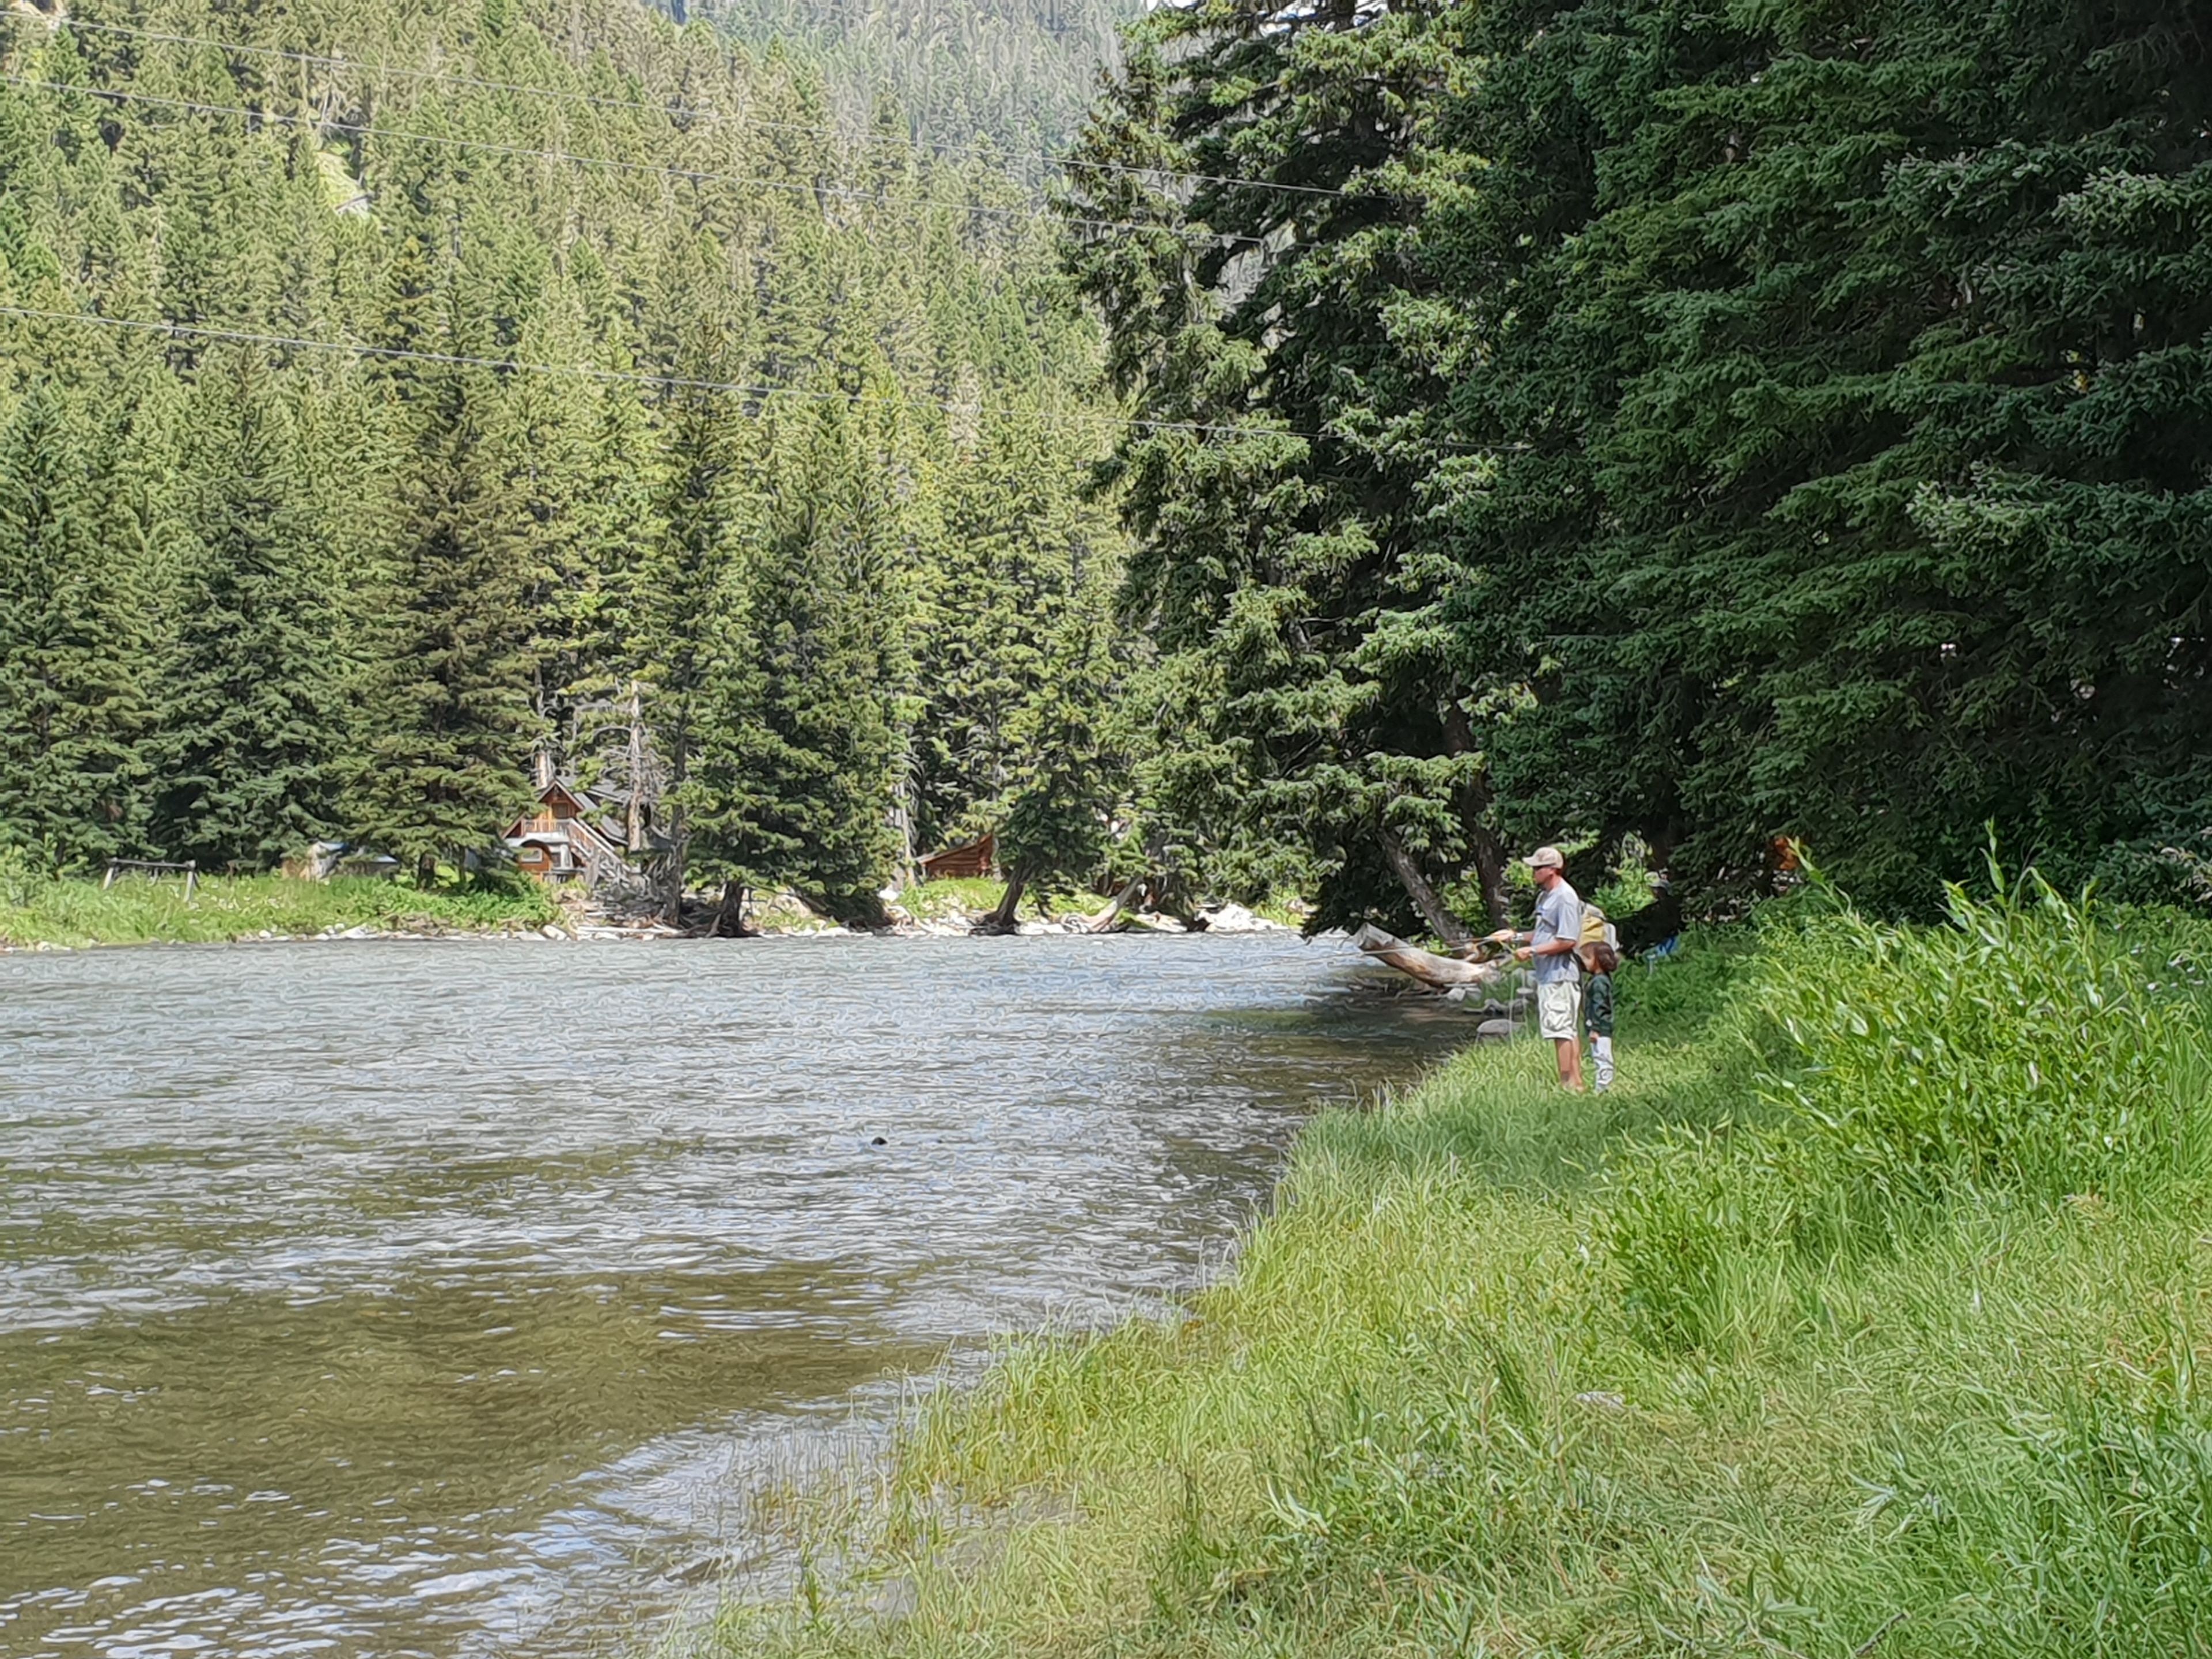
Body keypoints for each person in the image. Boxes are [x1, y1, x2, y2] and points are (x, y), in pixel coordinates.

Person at [1495, 845, 1585, 1090]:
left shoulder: (1566, 898)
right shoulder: (1546, 896)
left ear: (1554, 870)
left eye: (1538, 868)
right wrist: (1515, 937)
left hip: (1560, 975)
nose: (1533, 872)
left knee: (1562, 1030)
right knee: (1565, 1029)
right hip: (1549, 975)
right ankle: (1575, 1084)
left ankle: (1569, 1084)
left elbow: (1568, 940)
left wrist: (1532, 951)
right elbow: (1544, 933)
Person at [1582, 940, 1618, 1092]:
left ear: (1598, 961)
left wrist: (1595, 1028)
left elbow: (1600, 1007)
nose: (1583, 962)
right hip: (1598, 1027)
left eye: (1587, 958)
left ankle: (1604, 1087)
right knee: (1599, 1056)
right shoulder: (1600, 980)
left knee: (1602, 1057)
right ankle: (1601, 1086)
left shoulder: (1599, 983)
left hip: (1600, 1028)